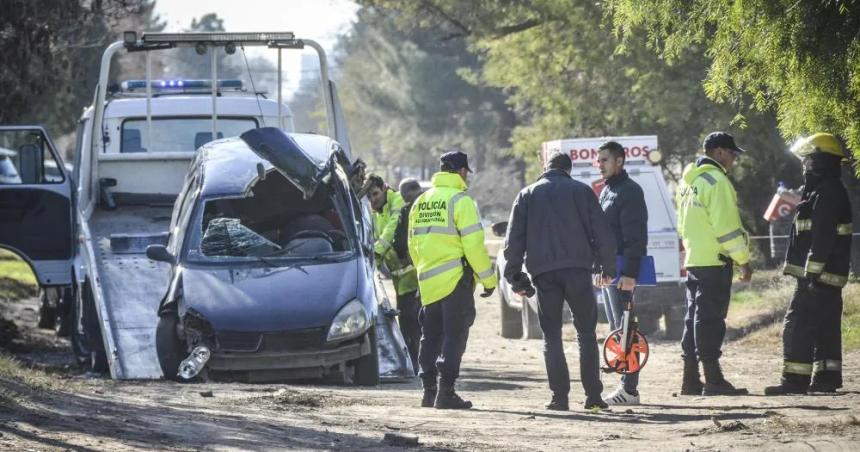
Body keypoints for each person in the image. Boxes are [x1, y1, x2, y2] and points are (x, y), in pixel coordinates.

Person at [503, 151, 617, 411]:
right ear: (569, 169)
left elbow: (513, 242)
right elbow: (602, 231)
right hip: (578, 271)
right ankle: (593, 397)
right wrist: (606, 266)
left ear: (545, 167)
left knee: (551, 336)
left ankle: (559, 398)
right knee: (586, 334)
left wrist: (516, 279)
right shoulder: (581, 191)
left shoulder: (527, 195)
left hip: (544, 275)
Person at [765, 133, 853, 395]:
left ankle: (794, 380)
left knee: (798, 324)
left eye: (808, 160)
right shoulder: (826, 191)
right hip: (826, 275)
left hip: (816, 276)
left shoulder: (825, 193)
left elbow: (822, 236)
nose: (804, 165)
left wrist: (812, 274)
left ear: (820, 161)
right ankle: (826, 378)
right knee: (825, 326)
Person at [408, 151, 497, 409]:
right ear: (460, 171)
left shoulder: (420, 201)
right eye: (466, 171)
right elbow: (474, 247)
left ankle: (428, 391)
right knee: (454, 335)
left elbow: (412, 244)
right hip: (455, 280)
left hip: (428, 280)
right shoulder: (461, 200)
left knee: (430, 335)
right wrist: (488, 280)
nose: (467, 175)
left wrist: (423, 270)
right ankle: (446, 392)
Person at [676, 131, 752, 396]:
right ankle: (714, 380)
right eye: (732, 153)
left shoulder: (687, 182)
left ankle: (690, 380)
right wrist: (743, 260)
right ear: (719, 152)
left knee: (692, 320)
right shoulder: (717, 181)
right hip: (716, 261)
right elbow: (727, 228)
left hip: (695, 259)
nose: (733, 159)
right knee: (709, 321)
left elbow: (682, 224)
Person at [595, 141, 648, 406]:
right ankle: (625, 386)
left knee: (627, 332)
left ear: (619, 161)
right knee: (618, 332)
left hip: (622, 273)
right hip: (609, 273)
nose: (599, 164)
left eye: (604, 160)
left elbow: (635, 237)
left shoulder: (630, 192)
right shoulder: (607, 191)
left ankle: (630, 390)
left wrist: (630, 273)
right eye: (599, 160)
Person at [390, 178, 424, 372]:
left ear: (405, 195)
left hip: (410, 282)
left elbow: (399, 245)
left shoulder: (406, 210)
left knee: (411, 326)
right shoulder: (436, 204)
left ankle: (416, 362)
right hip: (440, 279)